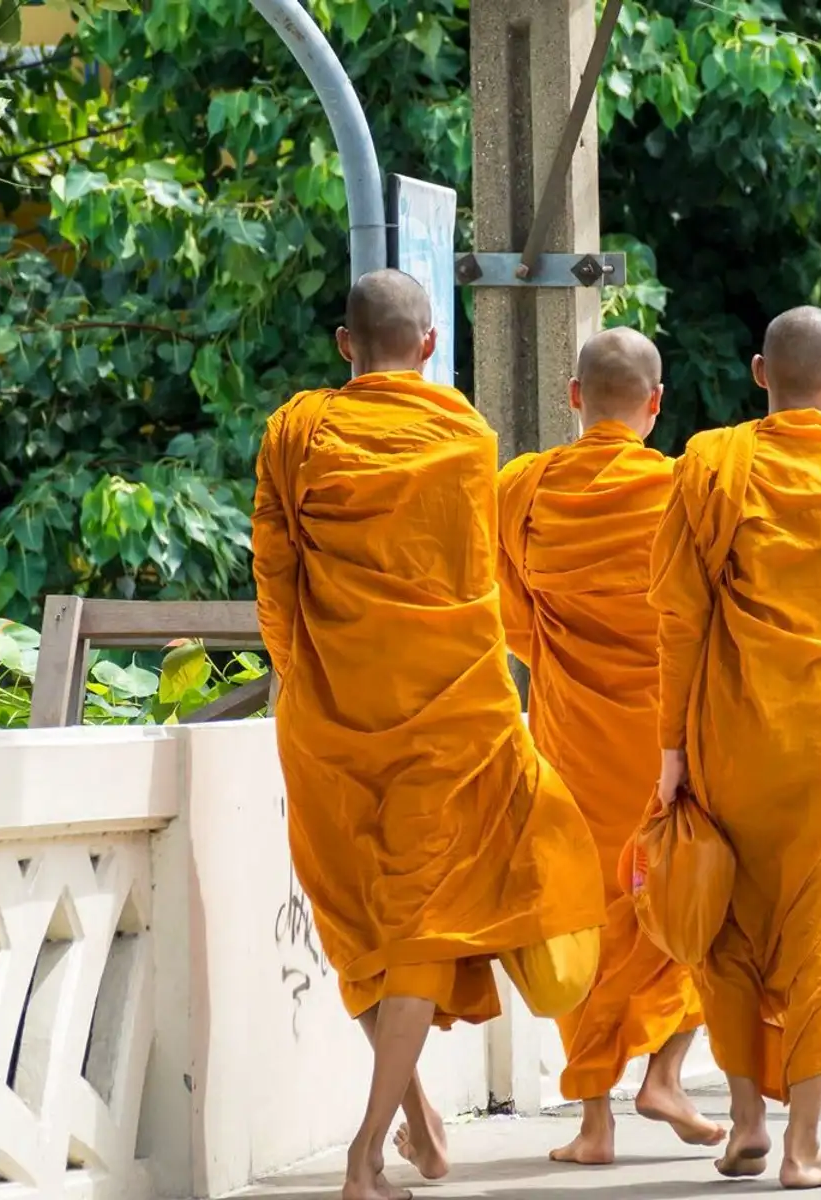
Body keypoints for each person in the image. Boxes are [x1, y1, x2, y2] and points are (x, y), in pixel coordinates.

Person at [252, 270, 606, 1200]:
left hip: (331, 720)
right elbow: (475, 580)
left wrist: (308, 683)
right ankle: (395, 1133)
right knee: (409, 922)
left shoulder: (298, 433)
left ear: (345, 344)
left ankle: (388, 1135)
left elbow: (276, 573)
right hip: (452, 714)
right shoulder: (466, 435)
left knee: (368, 924)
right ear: (431, 345)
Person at [652, 306, 821, 1186]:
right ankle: (804, 1149)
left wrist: (671, 748)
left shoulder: (712, 464)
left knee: (728, 932)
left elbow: (679, 617)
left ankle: (743, 1126)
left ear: (761, 372)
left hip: (735, 739)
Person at [497, 327, 720, 1165]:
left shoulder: (523, 489)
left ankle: (594, 1124)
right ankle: (665, 1072)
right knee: (691, 903)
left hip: (571, 740)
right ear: (656, 404)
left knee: (584, 914)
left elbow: (509, 611)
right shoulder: (683, 491)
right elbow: (709, 617)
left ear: (574, 396)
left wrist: (562, 652)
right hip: (673, 742)